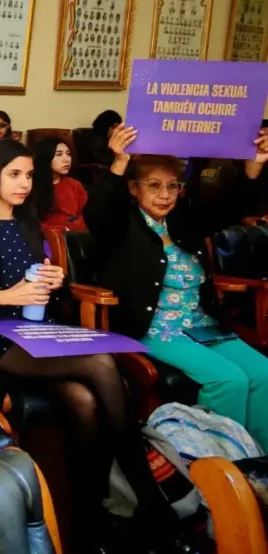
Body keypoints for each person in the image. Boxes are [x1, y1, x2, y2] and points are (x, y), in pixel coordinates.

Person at [0, 139, 188, 551]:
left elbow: (46, 297)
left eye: (29, 176)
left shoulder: (29, 222)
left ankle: (89, 523)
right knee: (102, 365)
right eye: (14, 175)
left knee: (85, 401)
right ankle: (150, 497)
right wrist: (6, 297)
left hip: (41, 335)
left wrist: (54, 285)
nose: (24, 184)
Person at [85, 125, 268, 449]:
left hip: (202, 324)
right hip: (154, 327)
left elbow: (228, 211)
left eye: (172, 186)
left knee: (263, 371)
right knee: (229, 379)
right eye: (154, 186)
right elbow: (96, 213)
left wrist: (253, 168)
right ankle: (219, 465)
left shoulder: (182, 220)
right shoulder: (120, 223)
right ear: (133, 188)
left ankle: (258, 462)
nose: (165, 194)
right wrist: (118, 162)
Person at [32, 137, 87, 231]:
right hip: (44, 239)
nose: (66, 159)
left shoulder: (74, 184)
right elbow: (29, 222)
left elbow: (85, 216)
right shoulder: (31, 186)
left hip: (73, 236)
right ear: (46, 157)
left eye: (68, 154)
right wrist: (57, 230)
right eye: (59, 154)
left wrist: (70, 228)